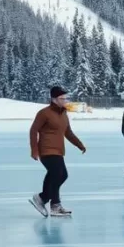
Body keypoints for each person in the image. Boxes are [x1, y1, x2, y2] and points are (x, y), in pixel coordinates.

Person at [28, 87, 85, 218]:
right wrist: (34, 150)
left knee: (55, 175)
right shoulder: (44, 113)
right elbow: (33, 130)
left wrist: (79, 144)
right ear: (54, 99)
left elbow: (68, 132)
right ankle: (49, 202)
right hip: (46, 150)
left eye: (66, 98)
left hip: (58, 150)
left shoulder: (64, 114)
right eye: (62, 98)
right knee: (60, 174)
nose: (65, 100)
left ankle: (47, 201)